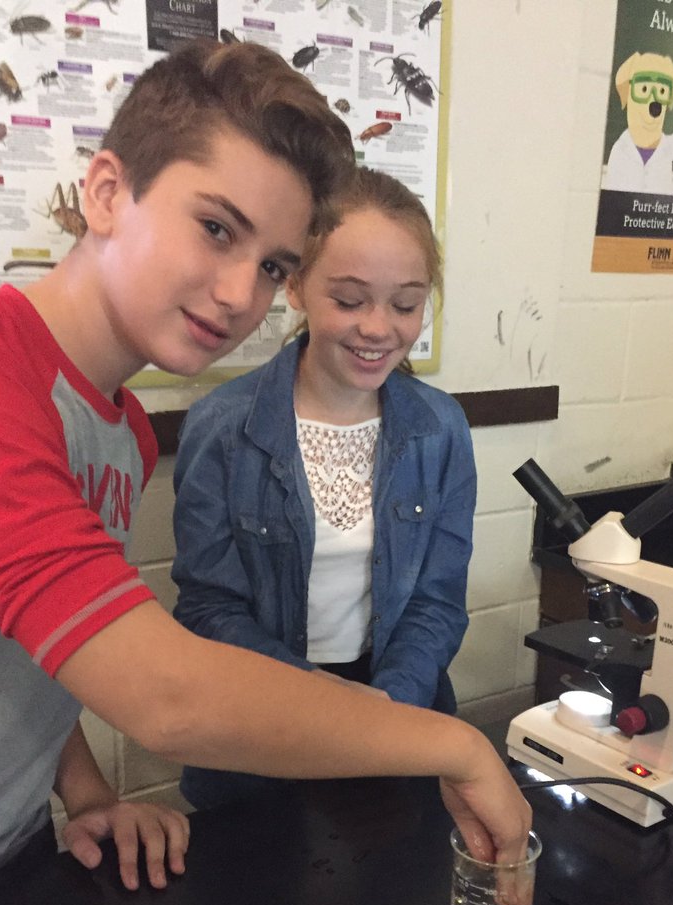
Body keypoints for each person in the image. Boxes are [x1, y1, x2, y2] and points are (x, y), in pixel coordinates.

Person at [0, 38, 530, 905]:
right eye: (216, 229)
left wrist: (85, 793)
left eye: (270, 264)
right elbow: (167, 696)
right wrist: (456, 745)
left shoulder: (116, 425)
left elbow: (24, 646)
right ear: (109, 192)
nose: (241, 295)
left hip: (7, 846)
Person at [171, 167, 475, 808]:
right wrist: (328, 706)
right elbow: (209, 609)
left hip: (398, 715)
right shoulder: (224, 427)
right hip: (259, 729)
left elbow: (438, 602)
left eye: (405, 303)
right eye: (349, 298)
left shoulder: (439, 428)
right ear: (298, 288)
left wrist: (386, 708)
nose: (378, 328)